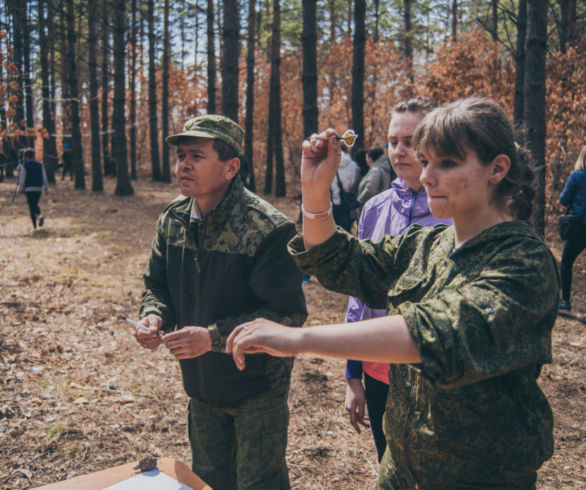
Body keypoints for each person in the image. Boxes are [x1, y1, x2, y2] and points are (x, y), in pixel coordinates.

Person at [227, 97, 560, 488]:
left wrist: (297, 339)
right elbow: (338, 260)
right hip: (400, 471)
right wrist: (315, 191)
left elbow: (436, 334)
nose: (428, 175)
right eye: (426, 160)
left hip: (480, 478)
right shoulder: (425, 244)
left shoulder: (524, 261)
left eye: (447, 163)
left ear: (497, 168)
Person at [133, 114, 307, 489]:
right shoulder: (173, 219)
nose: (183, 165)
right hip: (202, 388)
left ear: (231, 167)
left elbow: (288, 316)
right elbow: (156, 284)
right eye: (181, 156)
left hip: (257, 390)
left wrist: (210, 338)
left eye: (197, 155)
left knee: (260, 484)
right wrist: (153, 315)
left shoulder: (268, 228)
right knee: (209, 481)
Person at [344, 97, 451, 463]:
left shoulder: (455, 213)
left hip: (435, 377)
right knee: (388, 464)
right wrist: (352, 371)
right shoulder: (374, 209)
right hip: (378, 370)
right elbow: (358, 295)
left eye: (411, 141)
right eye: (393, 142)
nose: (399, 151)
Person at [559, 144, 586, 311]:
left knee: (566, 262)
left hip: (578, 226)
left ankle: (566, 301)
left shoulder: (577, 176)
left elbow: (563, 199)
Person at [16, 148, 49, 232]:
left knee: (31, 206)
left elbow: (22, 179)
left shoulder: (24, 165)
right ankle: (39, 215)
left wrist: (19, 189)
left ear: (26, 157)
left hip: (29, 188)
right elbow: (44, 177)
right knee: (35, 203)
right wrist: (46, 187)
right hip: (38, 188)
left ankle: (35, 226)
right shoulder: (39, 164)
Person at [330, 145, 360, 232]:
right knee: (345, 231)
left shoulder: (329, 163)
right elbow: (353, 182)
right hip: (346, 203)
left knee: (332, 232)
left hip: (332, 203)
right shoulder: (352, 165)